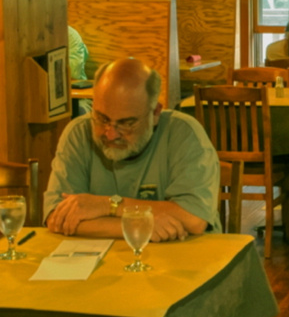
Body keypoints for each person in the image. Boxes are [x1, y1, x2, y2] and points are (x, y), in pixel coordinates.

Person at [44, 58, 221, 242]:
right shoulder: (78, 133)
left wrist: (107, 206)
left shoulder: (184, 133)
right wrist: (140, 225)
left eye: (127, 124)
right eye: (102, 118)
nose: (111, 134)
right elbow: (57, 218)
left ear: (155, 113)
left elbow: (193, 219)